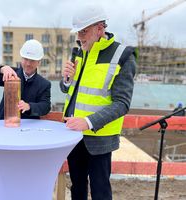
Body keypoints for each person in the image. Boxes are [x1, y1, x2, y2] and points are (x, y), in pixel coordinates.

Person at [60, 5, 136, 200]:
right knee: (77, 187)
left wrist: (89, 121)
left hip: (100, 138)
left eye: (83, 31)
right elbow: (68, 91)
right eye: (78, 31)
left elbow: (122, 103)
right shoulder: (79, 52)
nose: (79, 36)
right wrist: (66, 80)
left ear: (100, 28)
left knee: (100, 190)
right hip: (74, 134)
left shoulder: (122, 55)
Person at [0, 39, 51, 120]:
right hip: (3, 123)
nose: (28, 63)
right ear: (21, 58)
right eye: (26, 59)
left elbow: (46, 106)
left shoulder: (44, 84)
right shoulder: (11, 74)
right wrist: (1, 69)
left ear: (39, 62)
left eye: (32, 60)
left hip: (28, 127)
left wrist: (29, 106)